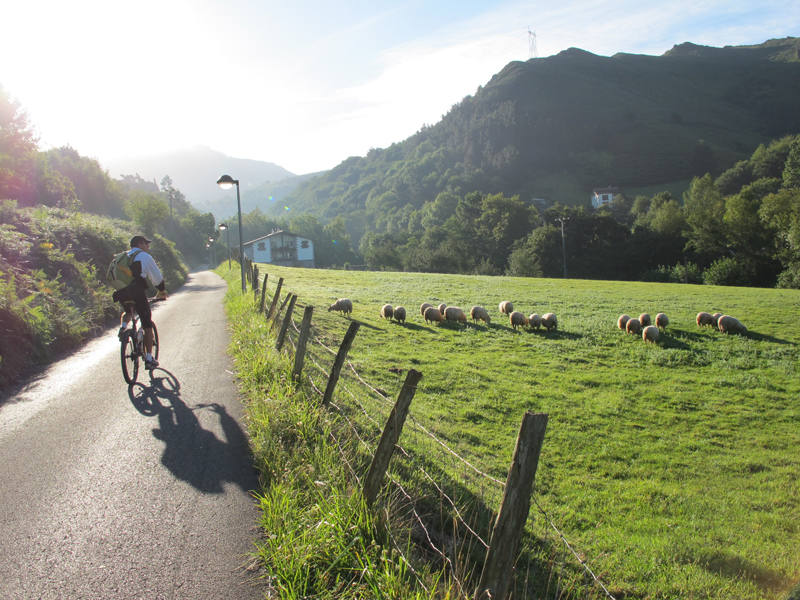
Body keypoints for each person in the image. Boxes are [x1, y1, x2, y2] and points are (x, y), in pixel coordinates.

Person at [113, 235, 168, 369]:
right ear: (140, 244)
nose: (148, 246)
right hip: (137, 291)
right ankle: (149, 359)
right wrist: (161, 290)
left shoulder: (122, 257)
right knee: (147, 324)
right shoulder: (144, 256)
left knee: (128, 310)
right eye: (146, 244)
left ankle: (123, 328)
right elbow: (156, 277)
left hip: (120, 291)